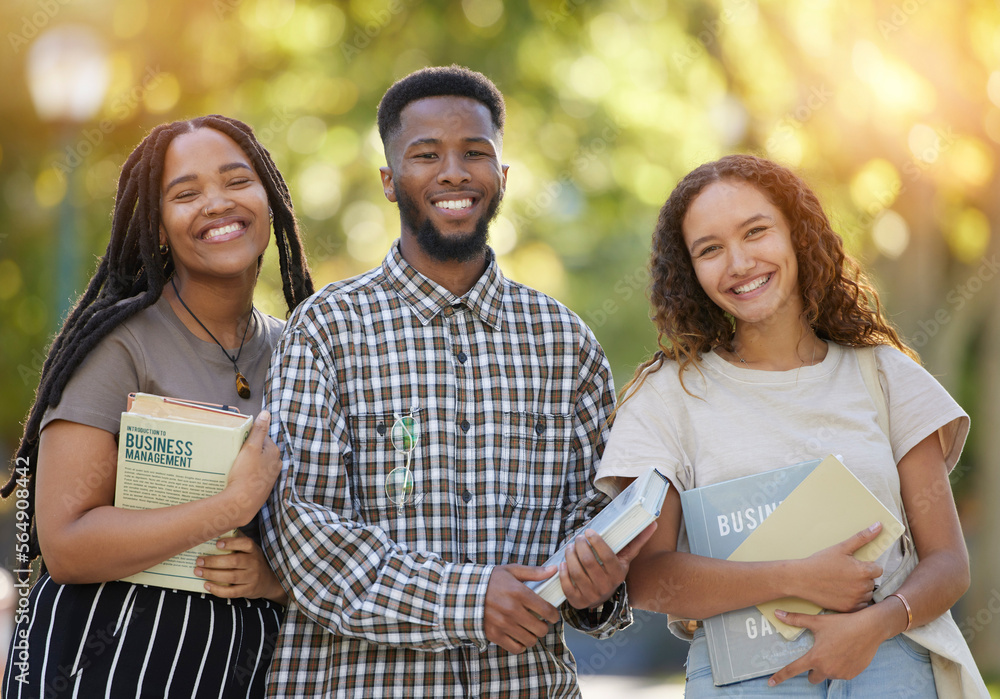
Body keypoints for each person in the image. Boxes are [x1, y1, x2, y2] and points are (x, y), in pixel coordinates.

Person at [261, 65, 654, 697]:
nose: (453, 172)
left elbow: (600, 526)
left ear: (503, 176)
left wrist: (595, 586)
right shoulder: (326, 330)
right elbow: (299, 534)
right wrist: (469, 600)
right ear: (390, 182)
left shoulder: (567, 345)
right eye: (425, 155)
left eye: (475, 153)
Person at [595, 154, 989, 697]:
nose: (738, 262)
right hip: (746, 679)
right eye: (710, 249)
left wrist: (874, 625)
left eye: (756, 232)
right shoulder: (670, 396)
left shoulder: (883, 374)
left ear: (797, 236)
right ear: (690, 271)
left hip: (889, 664)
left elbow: (948, 564)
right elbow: (649, 580)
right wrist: (794, 577)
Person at [1, 114, 314, 698]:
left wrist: (277, 583)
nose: (216, 204)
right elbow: (65, 544)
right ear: (159, 226)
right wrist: (230, 505)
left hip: (239, 665)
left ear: (270, 199)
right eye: (186, 193)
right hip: (104, 658)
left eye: (236, 181)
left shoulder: (300, 353)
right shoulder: (118, 345)